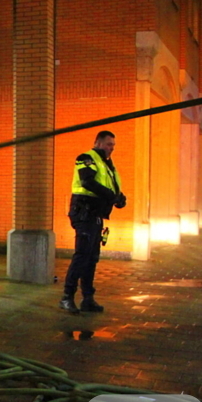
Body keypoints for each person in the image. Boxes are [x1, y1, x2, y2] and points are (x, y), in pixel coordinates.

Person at [60, 130, 127, 314]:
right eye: (108, 144)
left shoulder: (108, 165)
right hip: (84, 212)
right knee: (82, 255)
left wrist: (119, 199)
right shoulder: (86, 158)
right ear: (97, 143)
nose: (111, 148)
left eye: (113, 145)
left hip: (96, 215)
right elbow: (87, 181)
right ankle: (67, 297)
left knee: (91, 258)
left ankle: (87, 299)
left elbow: (110, 187)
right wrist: (112, 196)